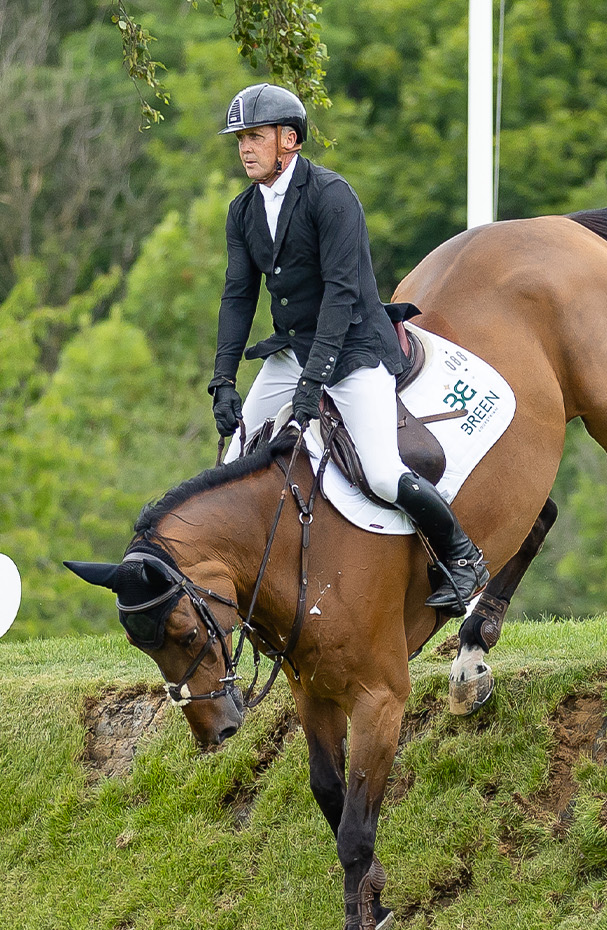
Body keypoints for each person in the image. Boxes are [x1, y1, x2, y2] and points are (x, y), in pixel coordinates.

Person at [207, 83, 488, 613]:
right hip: (293, 349)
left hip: (354, 347)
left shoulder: (330, 196)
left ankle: (463, 557)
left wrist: (313, 382)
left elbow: (341, 293)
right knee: (234, 462)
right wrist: (222, 380)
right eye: (240, 139)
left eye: (255, 137)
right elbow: (238, 295)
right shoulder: (243, 210)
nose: (244, 148)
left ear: (289, 140)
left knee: (381, 471)